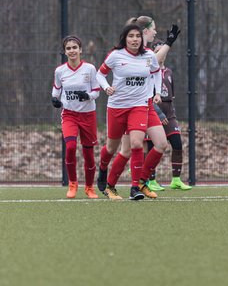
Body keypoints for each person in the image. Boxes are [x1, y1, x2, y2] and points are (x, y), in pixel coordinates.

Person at [97, 17, 180, 200]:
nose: (135, 39)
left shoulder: (148, 54)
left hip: (141, 105)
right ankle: (105, 174)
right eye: (131, 36)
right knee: (115, 148)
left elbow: (156, 70)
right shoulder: (116, 55)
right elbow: (100, 74)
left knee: (149, 143)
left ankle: (138, 185)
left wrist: (157, 92)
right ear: (126, 38)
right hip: (118, 107)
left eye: (137, 36)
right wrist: (106, 87)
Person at [51, 35, 100, 199]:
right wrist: (55, 100)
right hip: (69, 114)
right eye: (68, 48)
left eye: (74, 47)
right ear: (65, 52)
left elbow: (96, 91)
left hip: (88, 115)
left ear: (80, 50)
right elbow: (57, 89)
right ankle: (72, 184)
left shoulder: (90, 69)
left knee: (88, 154)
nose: (72, 51)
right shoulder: (60, 71)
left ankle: (89, 187)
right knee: (70, 147)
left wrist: (87, 95)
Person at [146, 39, 192, 191]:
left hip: (169, 115)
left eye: (163, 50)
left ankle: (176, 180)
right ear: (153, 53)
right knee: (153, 147)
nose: (162, 53)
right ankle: (150, 180)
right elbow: (146, 96)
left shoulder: (170, 72)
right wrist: (158, 113)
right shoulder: (147, 72)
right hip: (152, 113)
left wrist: (169, 113)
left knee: (177, 144)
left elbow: (171, 97)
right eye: (158, 50)